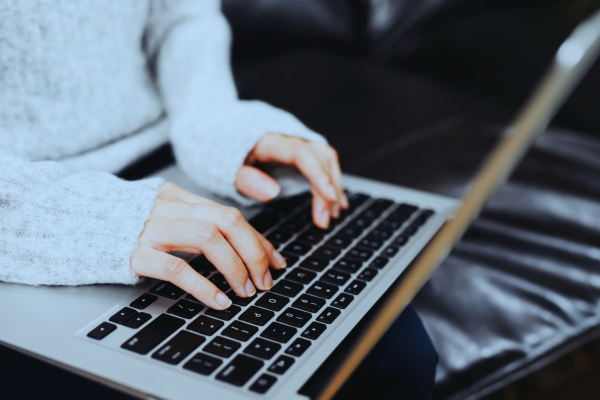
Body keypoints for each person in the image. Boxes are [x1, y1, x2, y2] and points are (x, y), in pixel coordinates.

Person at [0, 1, 437, 398]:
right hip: (25, 217)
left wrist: (211, 120)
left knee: (393, 358)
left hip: (160, 164)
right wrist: (83, 219)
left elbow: (181, 17)